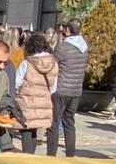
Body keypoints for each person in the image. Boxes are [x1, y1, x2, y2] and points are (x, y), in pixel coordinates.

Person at [12, 32, 58, 155]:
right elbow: (53, 86)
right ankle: (31, 155)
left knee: (26, 128)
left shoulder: (27, 63)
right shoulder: (54, 63)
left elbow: (16, 82)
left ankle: (27, 156)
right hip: (44, 100)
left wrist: (17, 94)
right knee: (36, 126)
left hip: (27, 100)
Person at [48, 18, 88, 156]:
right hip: (76, 90)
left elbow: (52, 62)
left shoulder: (64, 47)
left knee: (54, 122)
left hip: (61, 89)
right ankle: (70, 153)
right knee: (69, 122)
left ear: (68, 30)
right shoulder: (84, 47)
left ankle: (51, 154)